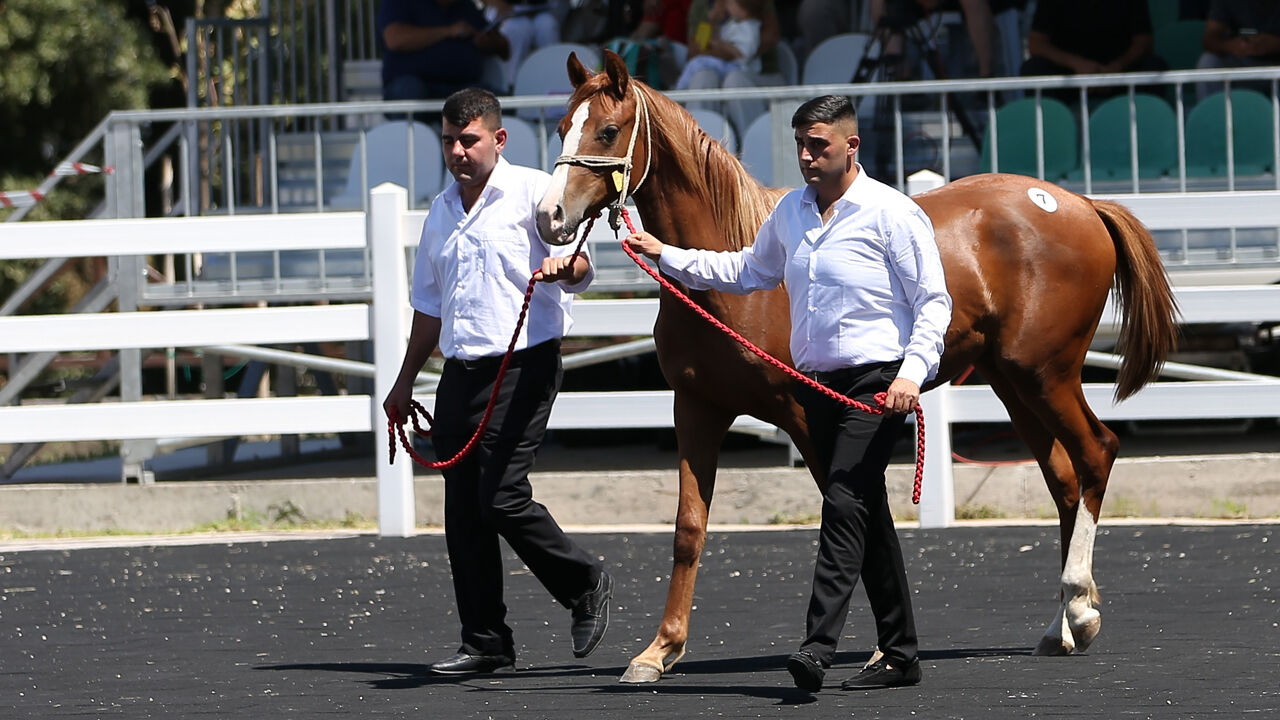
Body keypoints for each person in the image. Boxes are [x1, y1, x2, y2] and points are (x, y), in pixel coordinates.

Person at [624, 95, 952, 692]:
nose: (805, 156)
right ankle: (901, 653)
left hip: (876, 383)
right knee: (865, 509)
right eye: (800, 145)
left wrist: (911, 374)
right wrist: (666, 255)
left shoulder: (892, 213)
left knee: (843, 500)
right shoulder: (791, 214)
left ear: (851, 147)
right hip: (818, 384)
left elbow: (933, 302)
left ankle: (817, 646)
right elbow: (747, 271)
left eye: (818, 145)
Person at [382, 88, 613, 676]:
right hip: (459, 372)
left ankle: (584, 582)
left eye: (469, 140)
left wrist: (570, 266)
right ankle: (485, 640)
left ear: (498, 139)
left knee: (501, 497)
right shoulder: (440, 212)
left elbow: (582, 268)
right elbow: (429, 310)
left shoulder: (536, 191)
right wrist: (405, 381)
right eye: (448, 142)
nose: (458, 151)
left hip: (523, 365)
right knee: (462, 512)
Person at [377, 0, 510, 103]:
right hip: (414, 83)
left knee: (500, 103)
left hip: (461, 87)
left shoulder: (465, 7)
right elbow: (395, 39)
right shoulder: (400, 3)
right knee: (410, 93)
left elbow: (504, 50)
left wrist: (488, 42)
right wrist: (449, 31)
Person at [1021, 0, 1165, 82]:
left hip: (1119, 73)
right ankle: (1052, 131)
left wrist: (1116, 67)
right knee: (1033, 69)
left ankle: (1146, 129)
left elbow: (1144, 42)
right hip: (1070, 76)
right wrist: (1077, 64)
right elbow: (1036, 44)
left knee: (1154, 66)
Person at [1195, 0, 1280, 99]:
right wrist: (1234, 46)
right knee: (1208, 61)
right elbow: (1209, 40)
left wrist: (1274, 44)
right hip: (1243, 64)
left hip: (1277, 64)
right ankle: (1212, 113)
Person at [675, 0, 768, 88]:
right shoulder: (733, 23)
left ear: (743, 11)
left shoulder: (749, 28)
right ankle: (681, 91)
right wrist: (713, 21)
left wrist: (720, 45)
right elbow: (697, 48)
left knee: (698, 62)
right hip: (726, 66)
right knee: (698, 64)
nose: (727, 5)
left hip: (738, 68)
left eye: (731, 4)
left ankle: (680, 91)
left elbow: (742, 53)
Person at [481, 0, 570, 92]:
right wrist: (499, 4)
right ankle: (511, 86)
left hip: (543, 10)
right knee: (518, 28)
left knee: (547, 25)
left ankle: (553, 83)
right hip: (506, 12)